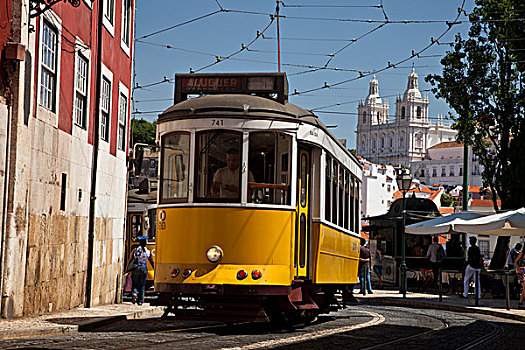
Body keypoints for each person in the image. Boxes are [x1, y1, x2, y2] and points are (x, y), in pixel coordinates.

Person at [125, 236, 155, 306]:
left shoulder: (135, 250)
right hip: (143, 268)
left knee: (135, 283)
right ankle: (140, 301)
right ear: (145, 244)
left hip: (136, 268)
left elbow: (130, 260)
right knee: (142, 285)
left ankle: (134, 293)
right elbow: (151, 261)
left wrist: (127, 269)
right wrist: (154, 269)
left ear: (139, 243)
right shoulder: (148, 252)